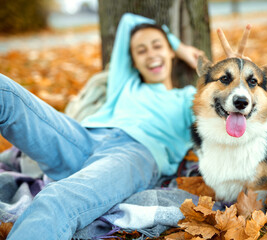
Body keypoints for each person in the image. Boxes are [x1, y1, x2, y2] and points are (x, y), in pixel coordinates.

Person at [1, 13, 203, 239]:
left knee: (55, 200)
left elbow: (221, 106)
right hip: (81, 138)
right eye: (141, 50)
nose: (152, 55)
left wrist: (185, 53)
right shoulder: (125, 83)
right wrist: (180, 46)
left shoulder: (188, 98)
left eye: (158, 46)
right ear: (133, 61)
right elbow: (128, 21)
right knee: (4, 91)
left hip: (134, 153)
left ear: (169, 53)